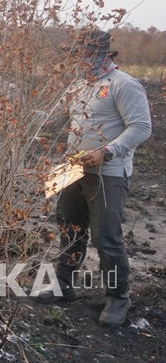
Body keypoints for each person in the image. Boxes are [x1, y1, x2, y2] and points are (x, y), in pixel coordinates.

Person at [34, 29, 151, 328]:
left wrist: (108, 151)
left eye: (83, 55)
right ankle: (63, 285)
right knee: (69, 228)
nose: (78, 61)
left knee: (106, 237)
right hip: (73, 171)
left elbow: (140, 127)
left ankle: (118, 298)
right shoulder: (78, 85)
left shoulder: (123, 85)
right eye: (75, 55)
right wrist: (20, 117)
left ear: (99, 55)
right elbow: (54, 117)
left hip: (108, 175)